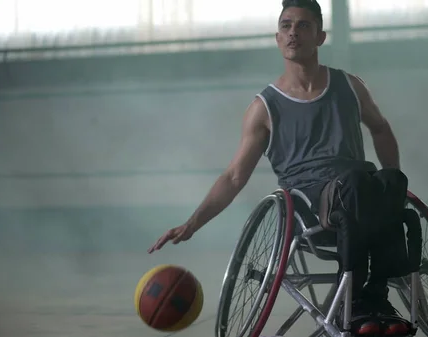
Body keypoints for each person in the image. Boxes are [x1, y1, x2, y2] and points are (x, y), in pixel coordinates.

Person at [150, 0, 410, 335]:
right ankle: (355, 300)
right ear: (277, 37)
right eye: (286, 26)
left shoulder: (350, 86)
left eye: (303, 26)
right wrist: (193, 223)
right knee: (359, 180)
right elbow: (233, 177)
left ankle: (376, 298)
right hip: (309, 201)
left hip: (358, 188)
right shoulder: (265, 107)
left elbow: (381, 128)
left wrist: (394, 185)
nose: (293, 33)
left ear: (320, 36)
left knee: (388, 178)